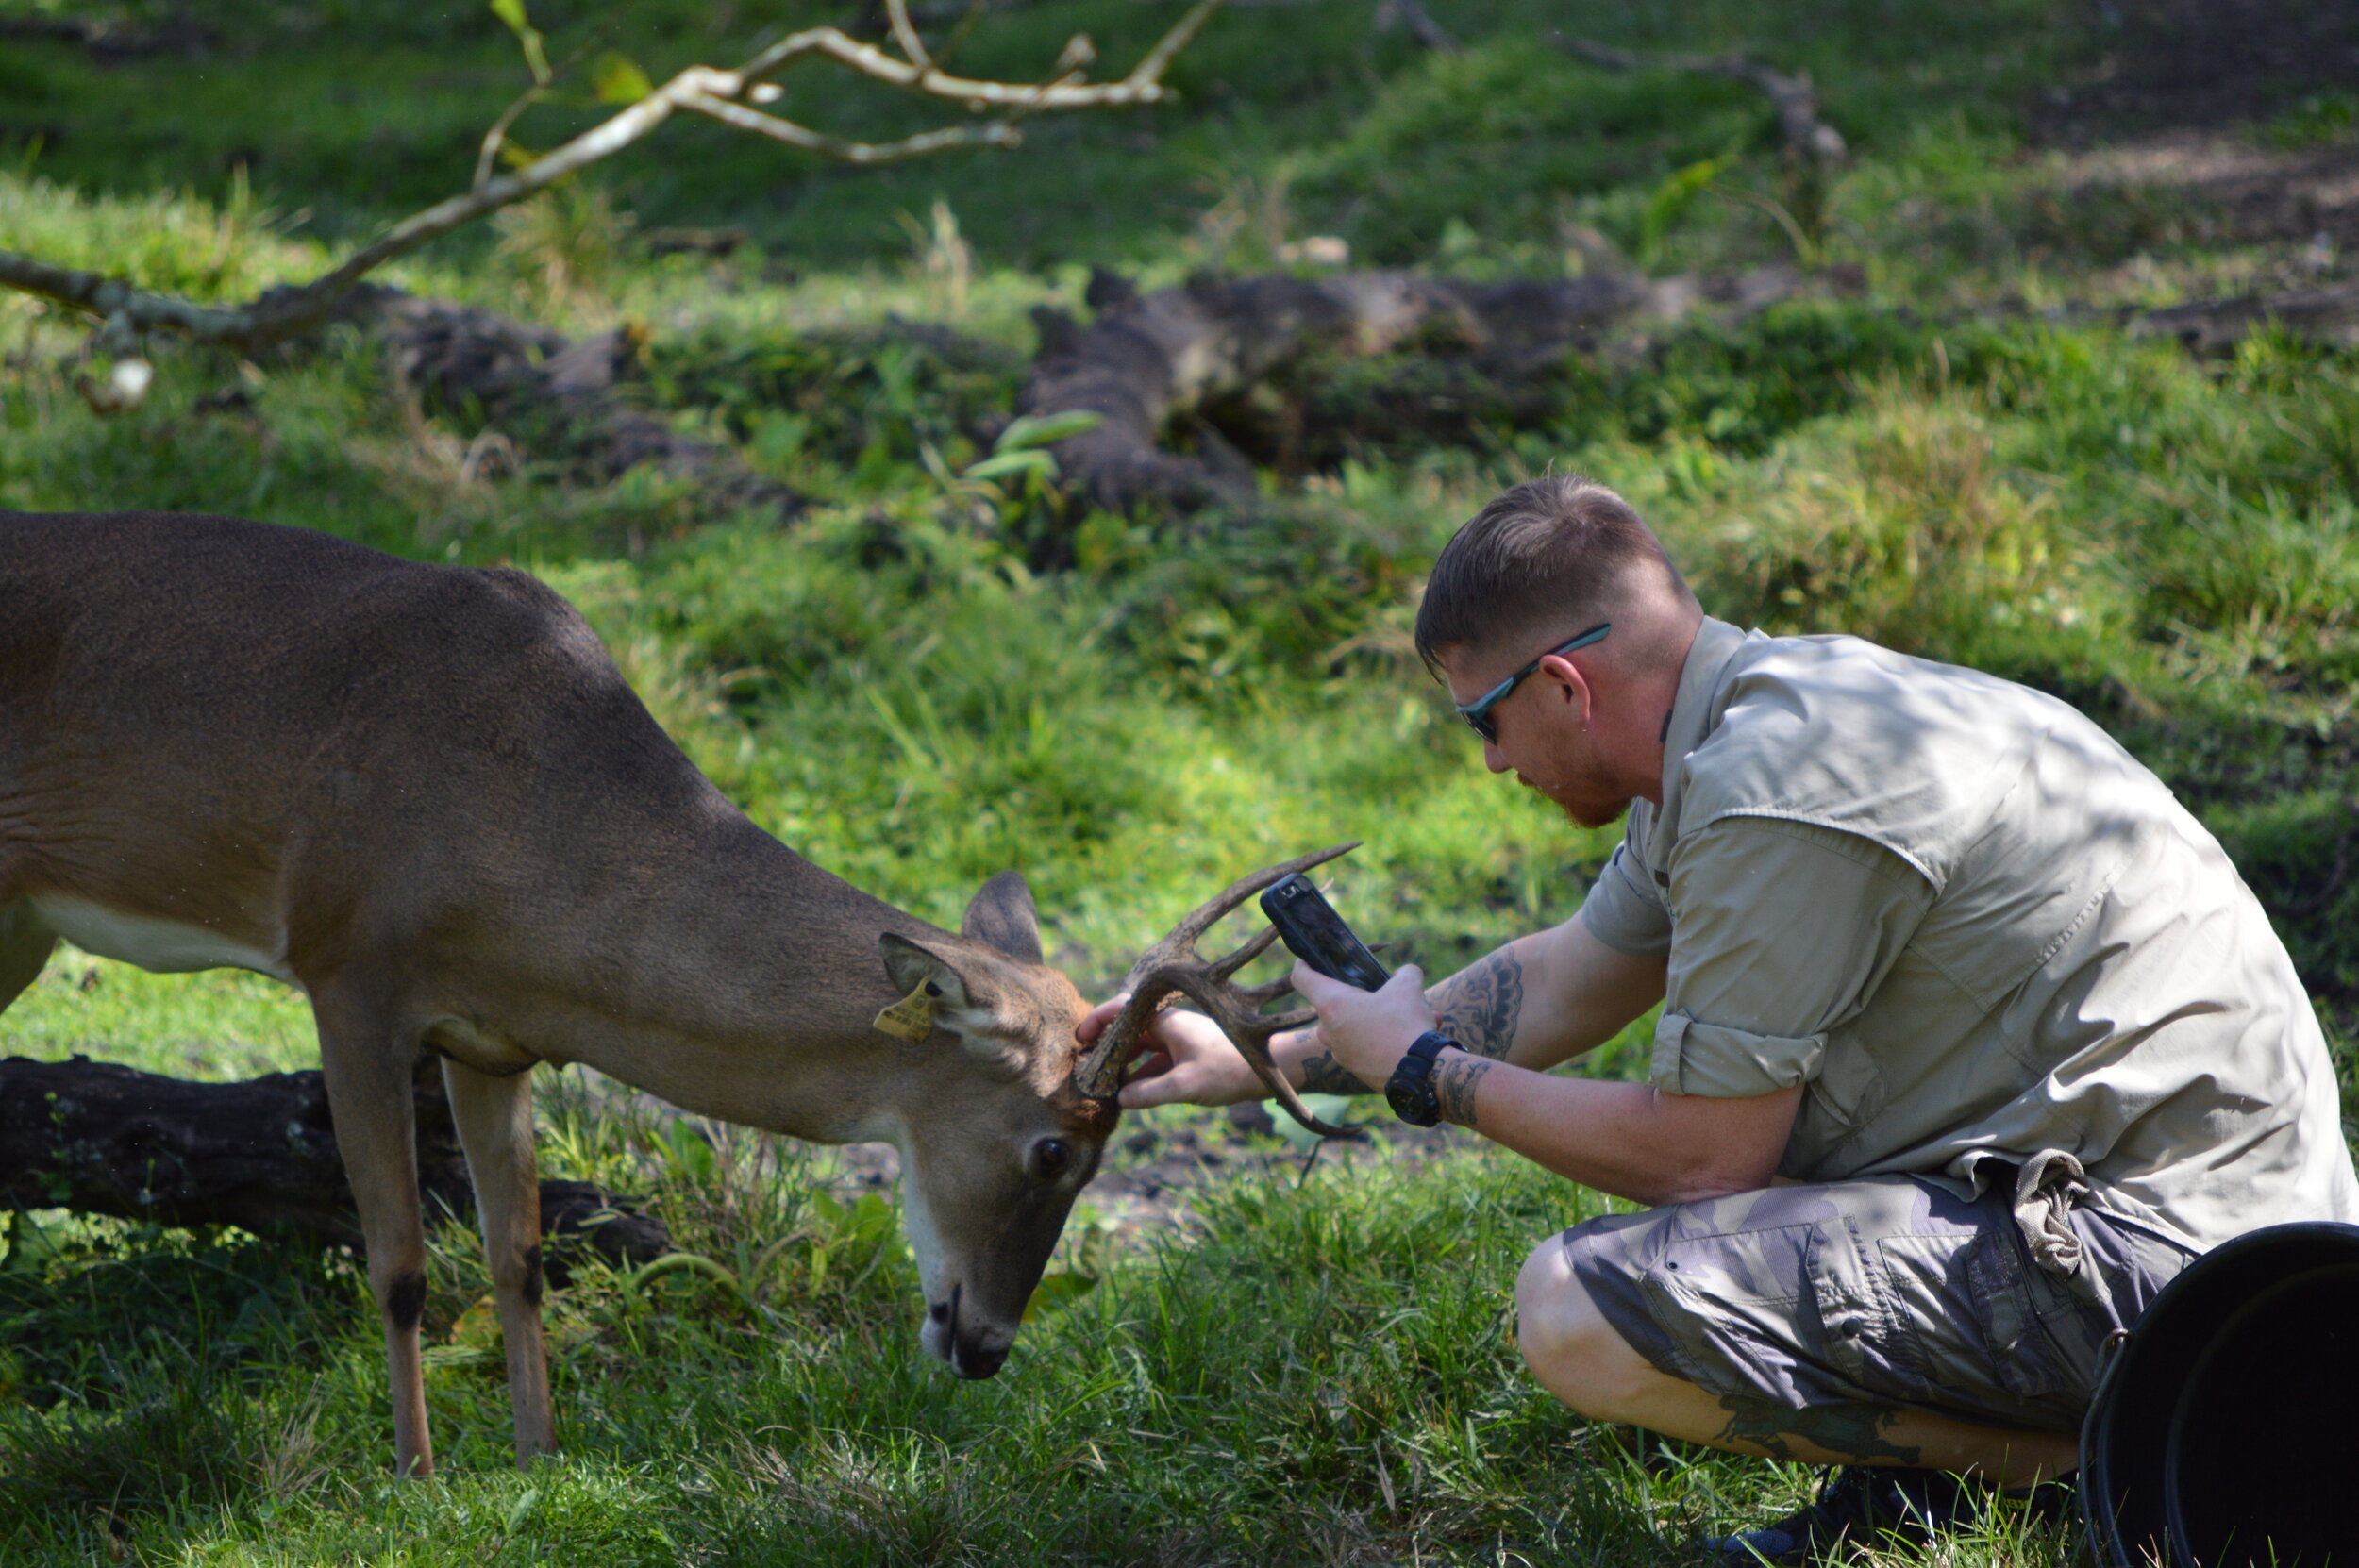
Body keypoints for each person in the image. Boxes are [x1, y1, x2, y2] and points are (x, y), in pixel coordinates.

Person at [1077, 475, 2359, 1563]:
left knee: (1577, 1309)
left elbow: (1706, 1155)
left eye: (1484, 719)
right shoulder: (1750, 727)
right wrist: (1260, 1061)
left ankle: (2078, 1470)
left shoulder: (1773, 789)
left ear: (1565, 684)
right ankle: (2016, 1458)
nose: (1489, 763)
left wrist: (1429, 1074)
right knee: (1694, 1254)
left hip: (2212, 1291)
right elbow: (1575, 974)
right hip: (2158, 1226)